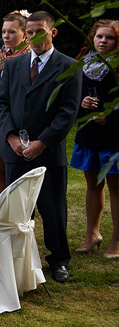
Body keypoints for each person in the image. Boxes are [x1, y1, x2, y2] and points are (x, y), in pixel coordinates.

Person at [0, 10, 82, 283]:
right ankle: (15, 258)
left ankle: (58, 259)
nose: (33, 37)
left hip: (48, 152)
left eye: (39, 32)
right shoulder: (14, 65)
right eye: (29, 32)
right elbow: (1, 103)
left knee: (53, 209)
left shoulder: (68, 67)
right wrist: (11, 138)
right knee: (17, 209)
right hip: (15, 151)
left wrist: (42, 143)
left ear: (52, 32)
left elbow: (67, 112)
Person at [70, 20, 119, 257]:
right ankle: (92, 235)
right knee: (93, 185)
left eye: (109, 38)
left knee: (116, 189)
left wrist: (110, 117)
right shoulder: (84, 63)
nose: (103, 41)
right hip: (89, 133)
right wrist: (82, 101)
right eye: (99, 36)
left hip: (114, 136)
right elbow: (72, 94)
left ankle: (116, 240)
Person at [0, 11, 29, 196]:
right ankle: (2, 206)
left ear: (24, 34)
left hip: (16, 116)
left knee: (16, 169)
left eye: (11, 32)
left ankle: (20, 207)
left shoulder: (29, 58)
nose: (6, 36)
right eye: (3, 32)